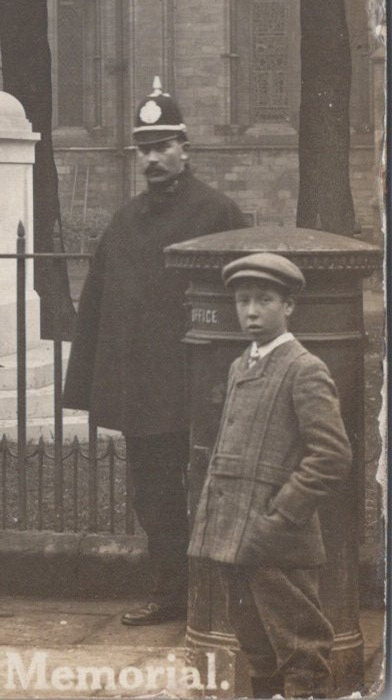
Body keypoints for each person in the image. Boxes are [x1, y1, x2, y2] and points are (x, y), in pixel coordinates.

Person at [63, 78, 246, 625]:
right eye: (144, 148)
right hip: (146, 391)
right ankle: (173, 593)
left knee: (219, 490)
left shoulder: (218, 213)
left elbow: (244, 301)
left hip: (204, 385)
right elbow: (98, 304)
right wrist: (93, 382)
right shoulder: (125, 221)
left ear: (185, 148)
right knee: (154, 496)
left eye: (163, 145)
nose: (153, 158)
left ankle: (225, 596)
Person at [188, 254, 352, 699]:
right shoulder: (241, 364)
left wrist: (281, 514)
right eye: (243, 301)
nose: (252, 312)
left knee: (300, 646)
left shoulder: (303, 367)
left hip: (277, 538)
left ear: (289, 306)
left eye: (264, 300)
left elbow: (331, 455)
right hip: (233, 534)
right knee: (255, 641)